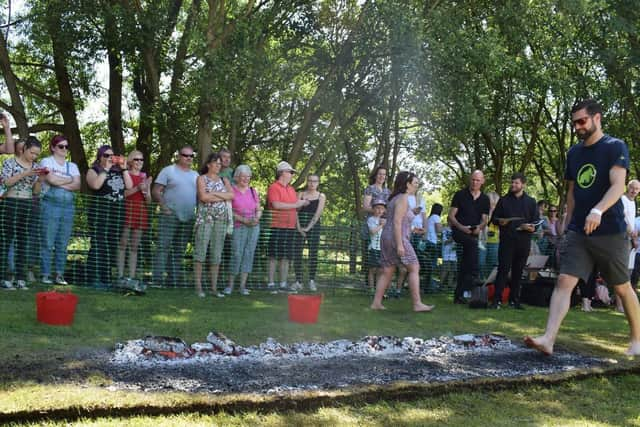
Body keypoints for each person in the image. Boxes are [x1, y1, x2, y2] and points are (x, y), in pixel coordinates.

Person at [525, 99, 640, 356]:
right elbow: (572, 191)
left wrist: (598, 210)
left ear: (596, 118)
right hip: (579, 231)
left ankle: (637, 340)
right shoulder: (574, 153)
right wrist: (567, 221)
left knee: (621, 286)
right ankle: (548, 338)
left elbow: (618, 185)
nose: (577, 126)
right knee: (564, 281)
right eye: (574, 122)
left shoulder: (614, 146)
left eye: (582, 121)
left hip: (610, 230)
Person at [370, 171, 434, 312]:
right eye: (415, 183)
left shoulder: (395, 198)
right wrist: (400, 244)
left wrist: (413, 229)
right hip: (396, 237)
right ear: (407, 184)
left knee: (387, 270)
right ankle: (417, 304)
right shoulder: (403, 198)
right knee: (414, 267)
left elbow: (400, 220)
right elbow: (397, 223)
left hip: (387, 236)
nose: (417, 186)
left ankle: (376, 303)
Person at [489, 173, 539, 309]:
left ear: (523, 184)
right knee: (503, 270)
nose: (513, 185)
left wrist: (530, 227)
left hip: (524, 241)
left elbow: (536, 222)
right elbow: (493, 219)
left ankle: (514, 300)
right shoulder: (504, 200)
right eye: (512, 182)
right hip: (507, 241)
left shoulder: (531, 201)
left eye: (516, 183)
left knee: (519, 271)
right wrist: (501, 221)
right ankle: (496, 300)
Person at [86, 145, 133, 288]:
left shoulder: (119, 171)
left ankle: (106, 278)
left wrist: (124, 169)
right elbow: (95, 185)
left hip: (117, 211)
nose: (109, 158)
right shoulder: (94, 170)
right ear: (100, 157)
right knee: (99, 244)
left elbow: (130, 186)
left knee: (112, 244)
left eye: (112, 156)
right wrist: (105, 169)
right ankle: (93, 277)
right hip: (100, 210)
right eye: (106, 155)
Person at [152, 146, 199, 287]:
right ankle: (157, 279)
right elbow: (156, 191)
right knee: (163, 247)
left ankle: (173, 280)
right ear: (179, 156)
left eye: (191, 156)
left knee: (180, 248)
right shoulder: (168, 171)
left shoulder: (196, 175)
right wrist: (164, 207)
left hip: (188, 217)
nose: (189, 158)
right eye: (185, 155)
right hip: (169, 215)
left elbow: (199, 196)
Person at [0, 137, 43, 290]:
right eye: (32, 153)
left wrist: (40, 179)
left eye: (37, 154)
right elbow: (5, 182)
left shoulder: (36, 166)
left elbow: (36, 192)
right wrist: (26, 173)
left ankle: (20, 278)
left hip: (28, 203)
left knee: (23, 242)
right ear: (24, 149)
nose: (34, 157)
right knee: (6, 240)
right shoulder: (10, 163)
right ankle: (4, 278)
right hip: (11, 203)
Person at [39, 135, 81, 285]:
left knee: (62, 243)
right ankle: (45, 274)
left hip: (68, 208)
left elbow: (77, 185)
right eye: (61, 146)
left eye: (66, 146)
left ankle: (59, 274)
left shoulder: (73, 166)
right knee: (47, 241)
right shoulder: (46, 161)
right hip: (50, 205)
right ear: (52, 147)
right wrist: (69, 180)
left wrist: (59, 181)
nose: (64, 149)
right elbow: (51, 180)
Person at [448, 170, 490, 304]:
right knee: (472, 245)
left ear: (482, 181)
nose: (475, 182)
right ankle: (474, 275)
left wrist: (480, 228)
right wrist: (461, 227)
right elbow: (451, 216)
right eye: (473, 179)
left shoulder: (485, 199)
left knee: (465, 264)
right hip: (459, 230)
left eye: (478, 180)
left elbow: (485, 219)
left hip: (473, 232)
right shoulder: (460, 195)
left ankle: (458, 295)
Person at [266, 161, 309, 290]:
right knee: (273, 256)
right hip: (277, 227)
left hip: (290, 228)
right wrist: (298, 204)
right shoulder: (273, 187)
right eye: (290, 172)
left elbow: (294, 210)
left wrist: (298, 227)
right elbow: (276, 205)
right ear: (282, 173)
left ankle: (283, 283)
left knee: (286, 257)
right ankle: (271, 283)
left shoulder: (291, 189)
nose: (292, 175)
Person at [116, 150, 152, 289]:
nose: (139, 162)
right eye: (136, 159)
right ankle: (120, 275)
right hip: (127, 210)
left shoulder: (145, 177)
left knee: (134, 246)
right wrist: (138, 188)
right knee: (123, 243)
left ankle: (131, 276)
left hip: (140, 212)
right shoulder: (125, 174)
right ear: (130, 161)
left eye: (141, 160)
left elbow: (148, 201)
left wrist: (146, 190)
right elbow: (123, 194)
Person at [224, 165, 262, 296]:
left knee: (249, 253)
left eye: (248, 176)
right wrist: (243, 220)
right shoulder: (232, 190)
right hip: (238, 226)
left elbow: (258, 208)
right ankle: (230, 285)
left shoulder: (253, 191)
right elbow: (229, 210)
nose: (245, 179)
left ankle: (242, 286)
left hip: (254, 227)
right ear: (237, 177)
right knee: (236, 253)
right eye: (243, 176)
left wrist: (257, 218)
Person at [292, 174, 326, 292]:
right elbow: (295, 211)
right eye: (310, 181)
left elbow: (317, 214)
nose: (312, 183)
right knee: (297, 253)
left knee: (313, 254)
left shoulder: (321, 196)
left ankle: (311, 280)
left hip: (314, 227)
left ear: (318, 183)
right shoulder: (300, 194)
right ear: (307, 182)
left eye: (315, 181)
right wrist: (300, 227)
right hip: (299, 227)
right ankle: (298, 281)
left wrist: (308, 228)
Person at [361, 166, 391, 271]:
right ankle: (368, 284)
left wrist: (385, 214)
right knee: (370, 256)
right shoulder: (370, 189)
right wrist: (378, 211)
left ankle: (379, 284)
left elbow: (389, 208)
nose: (382, 176)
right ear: (375, 175)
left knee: (382, 255)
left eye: (384, 174)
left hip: (384, 226)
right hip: (372, 224)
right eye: (379, 174)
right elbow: (365, 207)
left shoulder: (388, 191)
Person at [367, 199, 386, 293]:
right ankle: (371, 289)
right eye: (377, 208)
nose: (379, 210)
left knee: (380, 270)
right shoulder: (371, 219)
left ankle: (378, 290)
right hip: (373, 248)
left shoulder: (385, 220)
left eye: (382, 209)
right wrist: (381, 225)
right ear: (373, 209)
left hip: (382, 248)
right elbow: (372, 231)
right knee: (372, 269)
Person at [423, 203, 443, 291]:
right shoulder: (436, 217)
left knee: (428, 265)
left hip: (427, 242)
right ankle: (428, 286)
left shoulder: (429, 217)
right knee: (432, 265)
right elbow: (439, 230)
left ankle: (426, 285)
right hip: (432, 242)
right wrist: (443, 228)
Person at [479, 191, 500, 279]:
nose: (492, 205)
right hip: (482, 242)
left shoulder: (500, 213)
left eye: (495, 203)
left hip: (495, 242)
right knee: (480, 263)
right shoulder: (482, 213)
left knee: (492, 263)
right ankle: (480, 281)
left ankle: (489, 283)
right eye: (491, 202)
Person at [440, 220, 457, 290]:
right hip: (446, 252)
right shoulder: (445, 230)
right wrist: (453, 238)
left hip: (454, 253)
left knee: (453, 270)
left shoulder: (456, 230)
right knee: (445, 269)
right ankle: (440, 284)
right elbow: (445, 242)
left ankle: (450, 285)